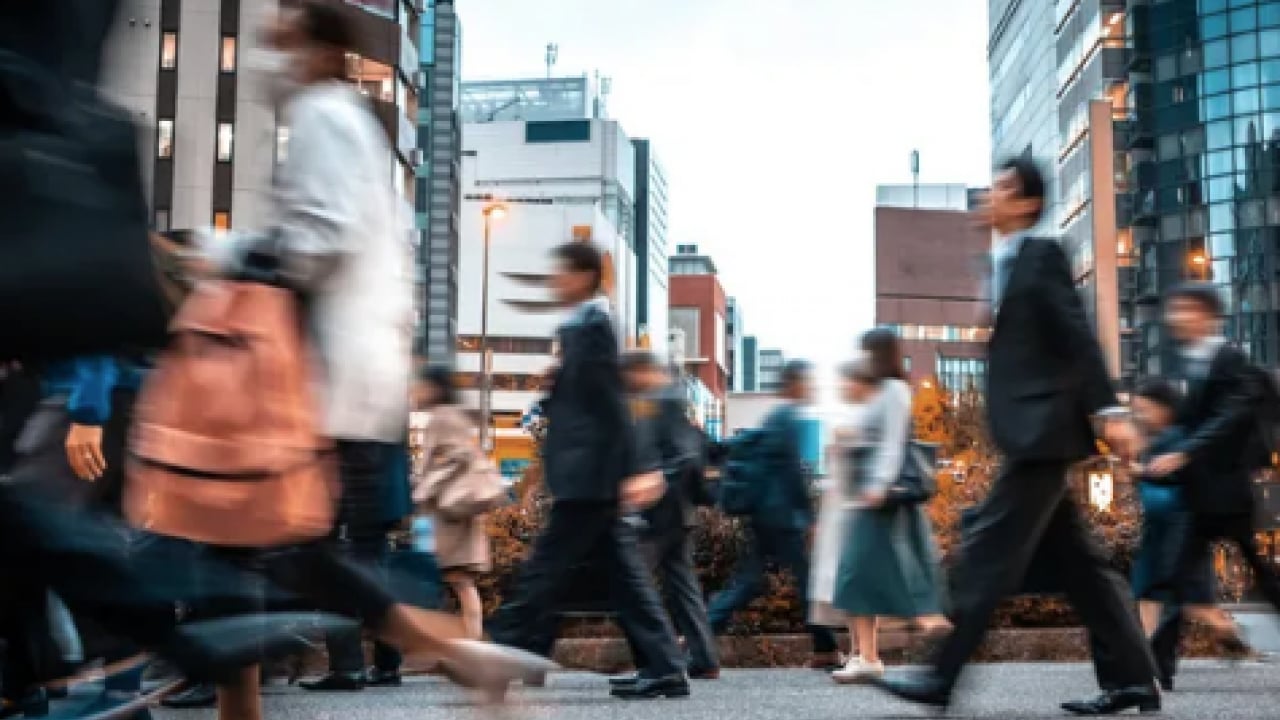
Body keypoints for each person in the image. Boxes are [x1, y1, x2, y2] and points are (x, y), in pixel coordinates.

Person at [874, 158, 1159, 715]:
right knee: (1084, 570)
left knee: (986, 556)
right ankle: (1134, 681)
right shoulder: (999, 265)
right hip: (1032, 433)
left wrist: (1108, 407)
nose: (991, 195)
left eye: (1005, 189)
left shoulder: (1040, 256)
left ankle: (940, 679)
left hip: (1044, 434)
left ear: (1028, 204)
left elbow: (1077, 333)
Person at [487, 242, 689, 700]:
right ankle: (664, 667)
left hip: (591, 476)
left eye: (559, 273)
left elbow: (612, 405)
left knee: (545, 568)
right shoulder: (583, 327)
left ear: (581, 276)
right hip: (592, 475)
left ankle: (500, 655)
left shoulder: (593, 326)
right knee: (623, 577)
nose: (554, 282)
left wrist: (638, 468)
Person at [1145, 284, 1280, 639]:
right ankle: (1153, 671)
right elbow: (1189, 418)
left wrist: (1185, 451)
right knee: (1173, 578)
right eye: (1175, 309)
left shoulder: (1230, 359)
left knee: (1259, 574)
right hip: (1201, 491)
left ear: (1208, 316)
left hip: (1228, 490)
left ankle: (1151, 671)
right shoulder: (1192, 362)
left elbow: (1229, 416)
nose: (1176, 317)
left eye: (1186, 309)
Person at [826, 335, 948, 684]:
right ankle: (868, 655)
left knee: (856, 573)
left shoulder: (894, 391)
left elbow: (893, 443)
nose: (860, 358)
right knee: (859, 576)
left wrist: (878, 485)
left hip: (878, 496)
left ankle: (919, 626)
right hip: (866, 495)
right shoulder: (882, 391)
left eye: (865, 351)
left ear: (877, 354)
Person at [707, 361, 841, 670]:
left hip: (765, 514)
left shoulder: (775, 418)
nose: (811, 388)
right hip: (782, 518)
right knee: (804, 583)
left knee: (748, 581)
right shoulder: (788, 419)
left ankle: (702, 631)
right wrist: (808, 517)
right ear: (794, 384)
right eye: (807, 382)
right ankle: (826, 649)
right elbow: (793, 475)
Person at [612, 352, 720, 685]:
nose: (627, 382)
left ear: (642, 372)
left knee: (630, 585)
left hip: (661, 512)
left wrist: (657, 481)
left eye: (630, 374)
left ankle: (657, 663)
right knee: (682, 587)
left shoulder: (663, 399)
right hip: (675, 511)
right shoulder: (660, 399)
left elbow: (684, 453)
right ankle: (701, 658)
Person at [1125, 378, 1217, 692]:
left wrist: (1144, 471)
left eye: (1145, 410)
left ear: (1165, 408)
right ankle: (1151, 657)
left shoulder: (1180, 436)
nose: (1141, 416)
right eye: (1136, 411)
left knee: (1171, 592)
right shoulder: (1152, 438)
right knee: (1146, 589)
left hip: (1178, 525)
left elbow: (1181, 473)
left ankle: (1159, 659)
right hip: (1156, 526)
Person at [409, 366, 490, 643]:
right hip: (451, 511)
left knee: (458, 580)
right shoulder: (450, 416)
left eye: (420, 385)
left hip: (448, 513)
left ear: (434, 388)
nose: (415, 391)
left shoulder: (443, 417)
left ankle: (471, 646)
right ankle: (469, 643)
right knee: (457, 581)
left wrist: (424, 488)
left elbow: (458, 457)